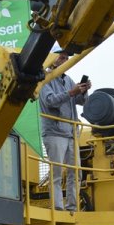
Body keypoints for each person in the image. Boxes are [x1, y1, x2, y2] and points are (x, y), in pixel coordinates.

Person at [39, 48, 91, 211]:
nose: (65, 60)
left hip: (70, 134)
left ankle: (72, 207)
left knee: (75, 173)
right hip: (55, 133)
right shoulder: (45, 78)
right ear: (51, 59)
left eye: (66, 58)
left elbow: (80, 101)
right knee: (57, 173)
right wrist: (71, 92)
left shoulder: (67, 79)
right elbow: (50, 101)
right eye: (61, 57)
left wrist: (84, 90)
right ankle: (58, 208)